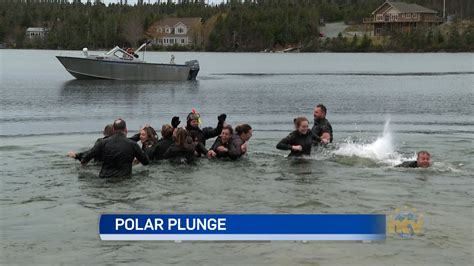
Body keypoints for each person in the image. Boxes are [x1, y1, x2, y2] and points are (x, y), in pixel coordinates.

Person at [81, 119, 149, 178]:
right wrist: (145, 146)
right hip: (124, 179)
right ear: (126, 129)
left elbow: (85, 158)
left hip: (104, 178)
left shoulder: (102, 143)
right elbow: (146, 162)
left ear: (113, 129)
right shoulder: (132, 144)